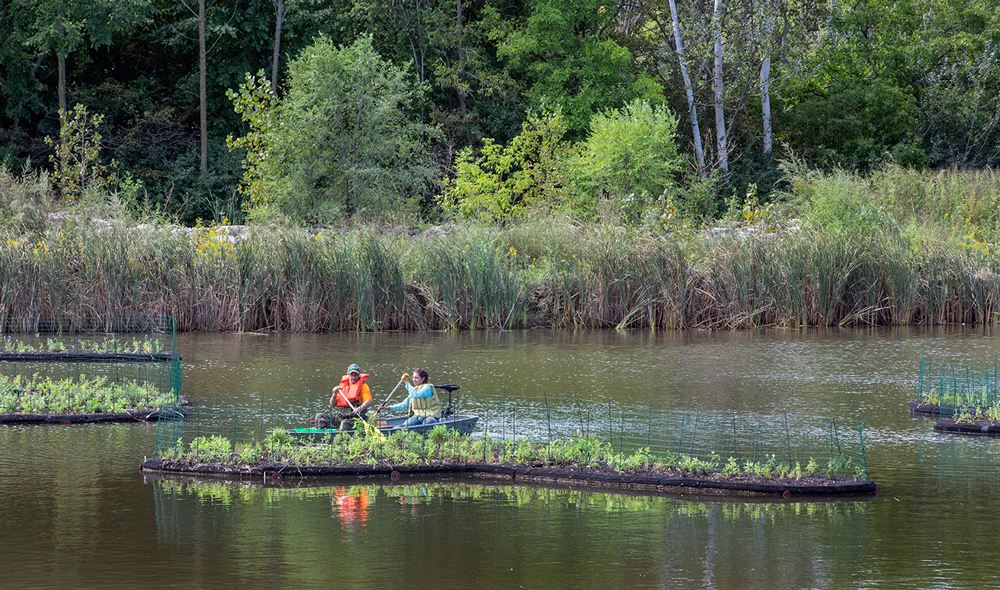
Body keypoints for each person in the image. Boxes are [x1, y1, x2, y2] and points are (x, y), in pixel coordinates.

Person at [315, 363, 373, 430]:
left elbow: (368, 401)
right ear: (348, 374)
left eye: (356, 375)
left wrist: (360, 408)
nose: (353, 377)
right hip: (341, 418)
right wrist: (334, 394)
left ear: (359, 374)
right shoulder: (342, 386)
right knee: (319, 417)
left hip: (356, 419)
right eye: (352, 375)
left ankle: (342, 439)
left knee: (345, 424)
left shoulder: (363, 386)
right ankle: (319, 437)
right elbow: (332, 405)